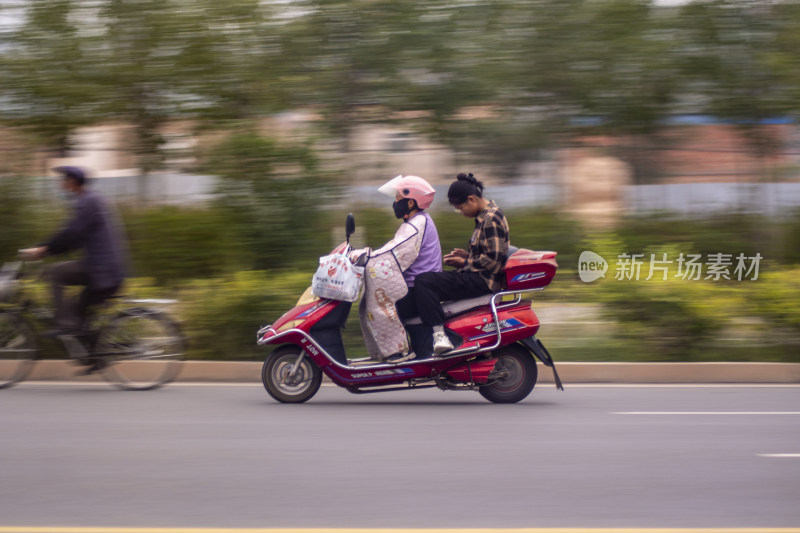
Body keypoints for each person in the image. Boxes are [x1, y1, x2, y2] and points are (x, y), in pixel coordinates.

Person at [20, 166, 128, 336]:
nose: (60, 184)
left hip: (102, 270)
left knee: (55, 272)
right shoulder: (91, 200)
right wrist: (46, 250)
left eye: (62, 180)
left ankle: (63, 324)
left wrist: (44, 249)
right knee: (74, 310)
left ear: (72, 182)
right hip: (108, 271)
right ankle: (92, 353)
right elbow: (74, 240)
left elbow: (71, 232)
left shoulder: (87, 201)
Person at [413, 172, 509, 355]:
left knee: (424, 282)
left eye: (460, 208)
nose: (461, 213)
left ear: (471, 199)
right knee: (427, 281)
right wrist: (466, 256)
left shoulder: (491, 218)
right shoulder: (485, 217)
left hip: (482, 282)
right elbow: (488, 253)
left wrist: (465, 262)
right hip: (476, 276)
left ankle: (439, 336)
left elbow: (494, 261)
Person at [350, 175, 442, 362]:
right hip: (415, 288)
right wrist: (368, 256)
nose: (395, 203)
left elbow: (394, 253)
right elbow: (392, 248)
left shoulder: (417, 224)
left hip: (416, 291)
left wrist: (367, 257)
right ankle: (390, 351)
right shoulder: (414, 223)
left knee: (379, 306)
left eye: (398, 199)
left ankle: (400, 350)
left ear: (410, 203)